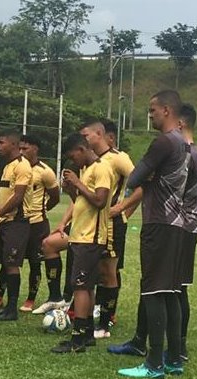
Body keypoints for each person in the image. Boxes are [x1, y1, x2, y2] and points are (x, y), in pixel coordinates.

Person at [111, 90, 190, 379]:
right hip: (178, 224)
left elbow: (132, 179)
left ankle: (154, 364)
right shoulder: (184, 143)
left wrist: (148, 176)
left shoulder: (163, 142)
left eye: (152, 110)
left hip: (158, 223)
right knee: (171, 292)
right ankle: (174, 359)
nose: (150, 115)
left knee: (154, 291)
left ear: (167, 110)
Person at [51, 133, 112, 353]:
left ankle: (77, 339)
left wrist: (77, 183)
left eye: (72, 156)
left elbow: (100, 200)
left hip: (91, 238)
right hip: (79, 236)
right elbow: (84, 202)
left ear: (81, 149)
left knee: (80, 286)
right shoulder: (87, 171)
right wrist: (71, 190)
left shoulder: (101, 168)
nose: (73, 161)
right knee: (85, 286)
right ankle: (86, 335)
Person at [80, 119, 134, 338]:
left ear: (100, 134)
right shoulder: (90, 161)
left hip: (111, 223)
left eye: (86, 135)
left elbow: (142, 183)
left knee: (108, 271)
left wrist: (121, 208)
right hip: (92, 223)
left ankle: (105, 322)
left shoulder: (118, 158)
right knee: (96, 270)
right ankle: (94, 313)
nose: (83, 140)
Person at [0, 132, 33, 321]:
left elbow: (18, 196)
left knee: (13, 265)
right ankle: (7, 305)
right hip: (5, 222)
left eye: (1, 142)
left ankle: (12, 308)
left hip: (17, 222)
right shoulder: (8, 166)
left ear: (14, 144)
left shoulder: (23, 166)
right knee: (7, 264)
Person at [17, 135, 60, 312]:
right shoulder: (17, 168)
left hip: (37, 224)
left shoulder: (45, 171)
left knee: (35, 263)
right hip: (18, 222)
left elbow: (55, 197)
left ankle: (30, 299)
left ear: (35, 149)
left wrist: (41, 210)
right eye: (19, 148)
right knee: (11, 261)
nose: (21, 152)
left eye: (25, 148)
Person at [177, 103, 197, 361]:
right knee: (174, 286)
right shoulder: (189, 152)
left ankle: (179, 347)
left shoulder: (189, 154)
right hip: (183, 226)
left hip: (184, 227)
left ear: (181, 124)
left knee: (179, 287)